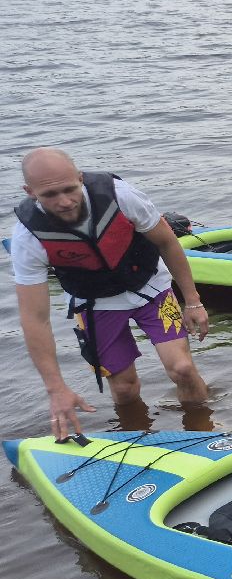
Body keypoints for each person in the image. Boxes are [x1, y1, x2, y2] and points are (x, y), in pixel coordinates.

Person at [11, 148, 210, 440]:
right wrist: (56, 389)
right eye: (50, 194)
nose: (64, 202)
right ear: (30, 192)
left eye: (69, 189)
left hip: (150, 287)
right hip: (94, 304)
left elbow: (167, 242)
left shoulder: (121, 196)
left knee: (182, 368)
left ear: (80, 178)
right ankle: (137, 442)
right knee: (124, 388)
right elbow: (34, 318)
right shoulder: (28, 237)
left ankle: (203, 432)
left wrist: (193, 302)